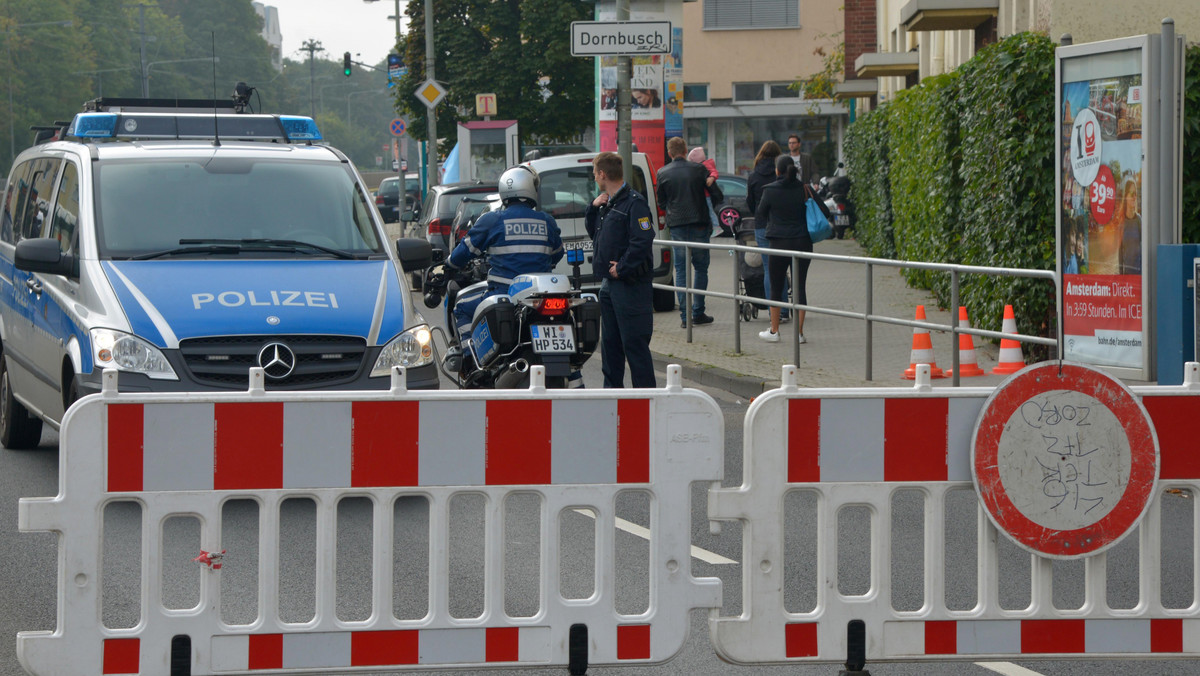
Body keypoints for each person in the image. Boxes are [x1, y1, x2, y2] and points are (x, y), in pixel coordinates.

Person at [446, 165, 563, 342]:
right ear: (531, 189)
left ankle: (471, 356)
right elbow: (557, 254)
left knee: (461, 307)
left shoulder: (493, 220)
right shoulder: (546, 221)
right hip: (540, 297)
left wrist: (449, 264)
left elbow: (463, 252)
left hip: (504, 293)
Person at [585, 152, 656, 388]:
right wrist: (593, 209)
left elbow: (643, 240)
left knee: (634, 346)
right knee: (611, 348)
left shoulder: (634, 203)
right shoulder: (608, 203)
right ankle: (612, 399)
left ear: (603, 174)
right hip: (609, 285)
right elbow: (596, 234)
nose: (594, 178)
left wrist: (622, 267)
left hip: (630, 286)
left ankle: (645, 402)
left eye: (595, 173)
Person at [755, 155, 829, 344]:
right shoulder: (805, 188)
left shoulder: (770, 190)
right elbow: (825, 211)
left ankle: (774, 331)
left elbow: (760, 214)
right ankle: (799, 334)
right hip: (802, 243)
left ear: (777, 171)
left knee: (776, 286)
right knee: (800, 286)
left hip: (779, 243)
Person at [657, 136, 714, 328]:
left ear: (669, 153)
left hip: (678, 225)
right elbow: (712, 190)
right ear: (685, 150)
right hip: (699, 222)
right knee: (700, 268)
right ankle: (698, 312)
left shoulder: (662, 173)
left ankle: (684, 317)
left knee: (681, 270)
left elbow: (661, 202)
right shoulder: (698, 169)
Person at [745, 140, 789, 321]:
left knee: (768, 268)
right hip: (780, 225)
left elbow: (749, 203)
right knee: (782, 268)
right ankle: (785, 310)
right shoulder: (782, 175)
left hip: (762, 225)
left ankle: (774, 312)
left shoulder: (754, 176)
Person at [687, 146, 722, 236]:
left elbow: (714, 172)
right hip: (704, 194)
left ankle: (716, 226)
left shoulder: (705, 165)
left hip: (706, 194)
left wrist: (711, 178)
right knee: (708, 210)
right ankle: (714, 226)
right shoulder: (704, 165)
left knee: (709, 210)